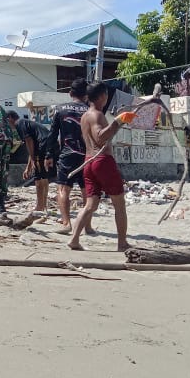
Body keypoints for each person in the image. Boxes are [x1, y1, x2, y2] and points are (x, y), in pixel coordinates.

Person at [69, 81, 132, 251]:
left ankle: (74, 239)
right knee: (119, 203)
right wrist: (117, 121)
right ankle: (122, 243)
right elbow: (100, 137)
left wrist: (118, 123)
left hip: (89, 161)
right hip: (102, 161)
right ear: (103, 96)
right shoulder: (97, 115)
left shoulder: (84, 116)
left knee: (90, 204)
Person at [46, 78, 91, 234]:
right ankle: (88, 225)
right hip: (87, 156)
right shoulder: (90, 110)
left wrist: (48, 155)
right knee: (87, 191)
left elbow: (52, 135)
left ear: (70, 93)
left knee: (64, 189)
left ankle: (66, 223)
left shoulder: (60, 109)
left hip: (67, 155)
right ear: (86, 95)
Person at [7, 110, 53, 216]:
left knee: (38, 178)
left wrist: (33, 160)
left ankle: (39, 206)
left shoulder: (19, 123)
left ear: (10, 118)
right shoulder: (27, 123)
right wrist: (28, 166)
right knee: (43, 176)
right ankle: (43, 205)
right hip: (48, 145)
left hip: (43, 144)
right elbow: (31, 148)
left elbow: (29, 142)